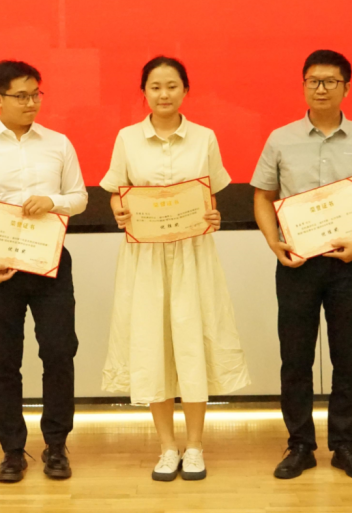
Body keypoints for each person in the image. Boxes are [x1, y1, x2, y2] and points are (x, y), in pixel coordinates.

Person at [100, 56, 251, 482]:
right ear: (144, 92)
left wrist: (213, 215)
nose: (163, 94)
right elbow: (116, 192)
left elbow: (210, 195)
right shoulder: (127, 138)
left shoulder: (204, 138)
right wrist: (120, 211)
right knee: (152, 345)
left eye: (171, 86)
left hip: (192, 254)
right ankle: (167, 447)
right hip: (145, 256)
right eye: (155, 87)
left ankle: (195, 446)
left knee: (192, 342)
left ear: (185, 90)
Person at [250, 49, 352, 481]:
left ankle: (345, 446)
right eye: (313, 80)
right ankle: (300, 445)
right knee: (294, 358)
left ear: (346, 88)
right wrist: (273, 242)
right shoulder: (280, 139)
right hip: (296, 264)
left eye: (331, 81)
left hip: (350, 263)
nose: (321, 88)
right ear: (303, 86)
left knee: (349, 359)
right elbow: (262, 195)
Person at [0, 60, 87, 482]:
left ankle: (56, 444)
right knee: (4, 361)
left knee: (59, 352)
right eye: (21, 96)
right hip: (0, 268)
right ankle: (12, 450)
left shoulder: (58, 144)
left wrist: (53, 201)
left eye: (36, 94)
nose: (32, 103)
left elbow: (79, 197)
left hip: (50, 263)